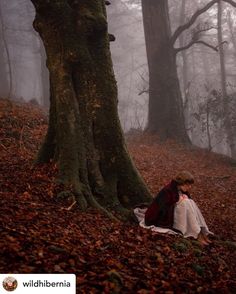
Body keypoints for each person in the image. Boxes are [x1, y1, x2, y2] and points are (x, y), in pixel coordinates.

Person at [144, 171, 212, 245]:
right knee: (186, 202)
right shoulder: (168, 190)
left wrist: (183, 200)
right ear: (181, 183)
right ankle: (197, 234)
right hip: (163, 217)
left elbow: (191, 207)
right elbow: (163, 208)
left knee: (190, 202)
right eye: (188, 185)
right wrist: (180, 201)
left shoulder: (182, 190)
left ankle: (200, 232)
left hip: (179, 214)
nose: (190, 187)